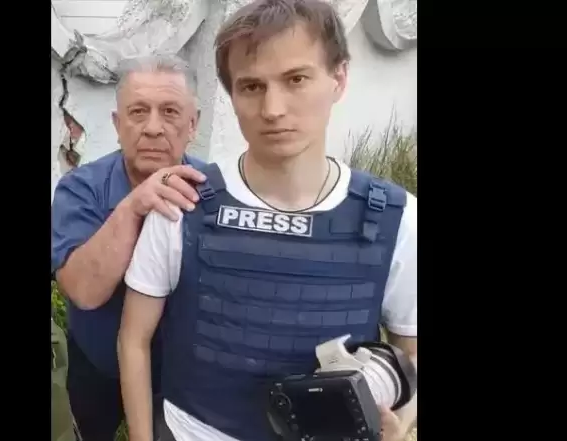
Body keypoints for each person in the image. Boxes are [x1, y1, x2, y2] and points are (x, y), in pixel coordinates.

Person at [118, 1, 417, 441]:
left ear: (339, 78)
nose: (273, 109)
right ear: (232, 95)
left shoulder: (398, 219)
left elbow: (411, 355)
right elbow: (133, 340)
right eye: (252, 86)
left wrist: (399, 425)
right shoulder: (183, 202)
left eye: (296, 79)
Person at [51, 54, 207, 441]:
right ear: (117, 124)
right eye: (138, 112)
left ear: (193, 125)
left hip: (178, 374)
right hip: (96, 363)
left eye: (170, 112)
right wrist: (135, 206)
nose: (153, 128)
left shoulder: (211, 193)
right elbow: (83, 291)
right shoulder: (81, 190)